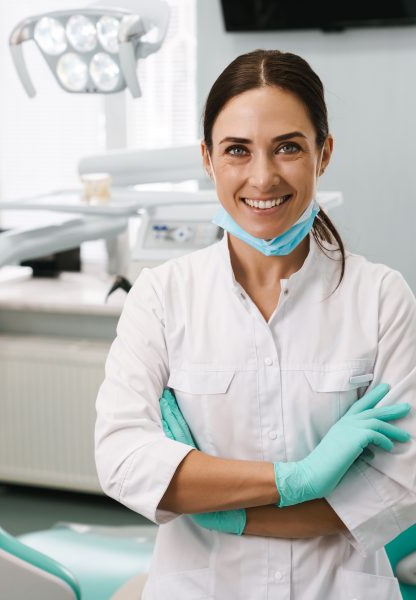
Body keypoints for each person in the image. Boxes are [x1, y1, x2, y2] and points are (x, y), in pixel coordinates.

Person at [94, 49, 416, 599]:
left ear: (324, 153)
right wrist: (300, 480)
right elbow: (123, 459)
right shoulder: (162, 297)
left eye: (288, 147)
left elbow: (397, 484)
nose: (262, 177)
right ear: (208, 159)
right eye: (237, 150)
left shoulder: (381, 297)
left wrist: (224, 511)